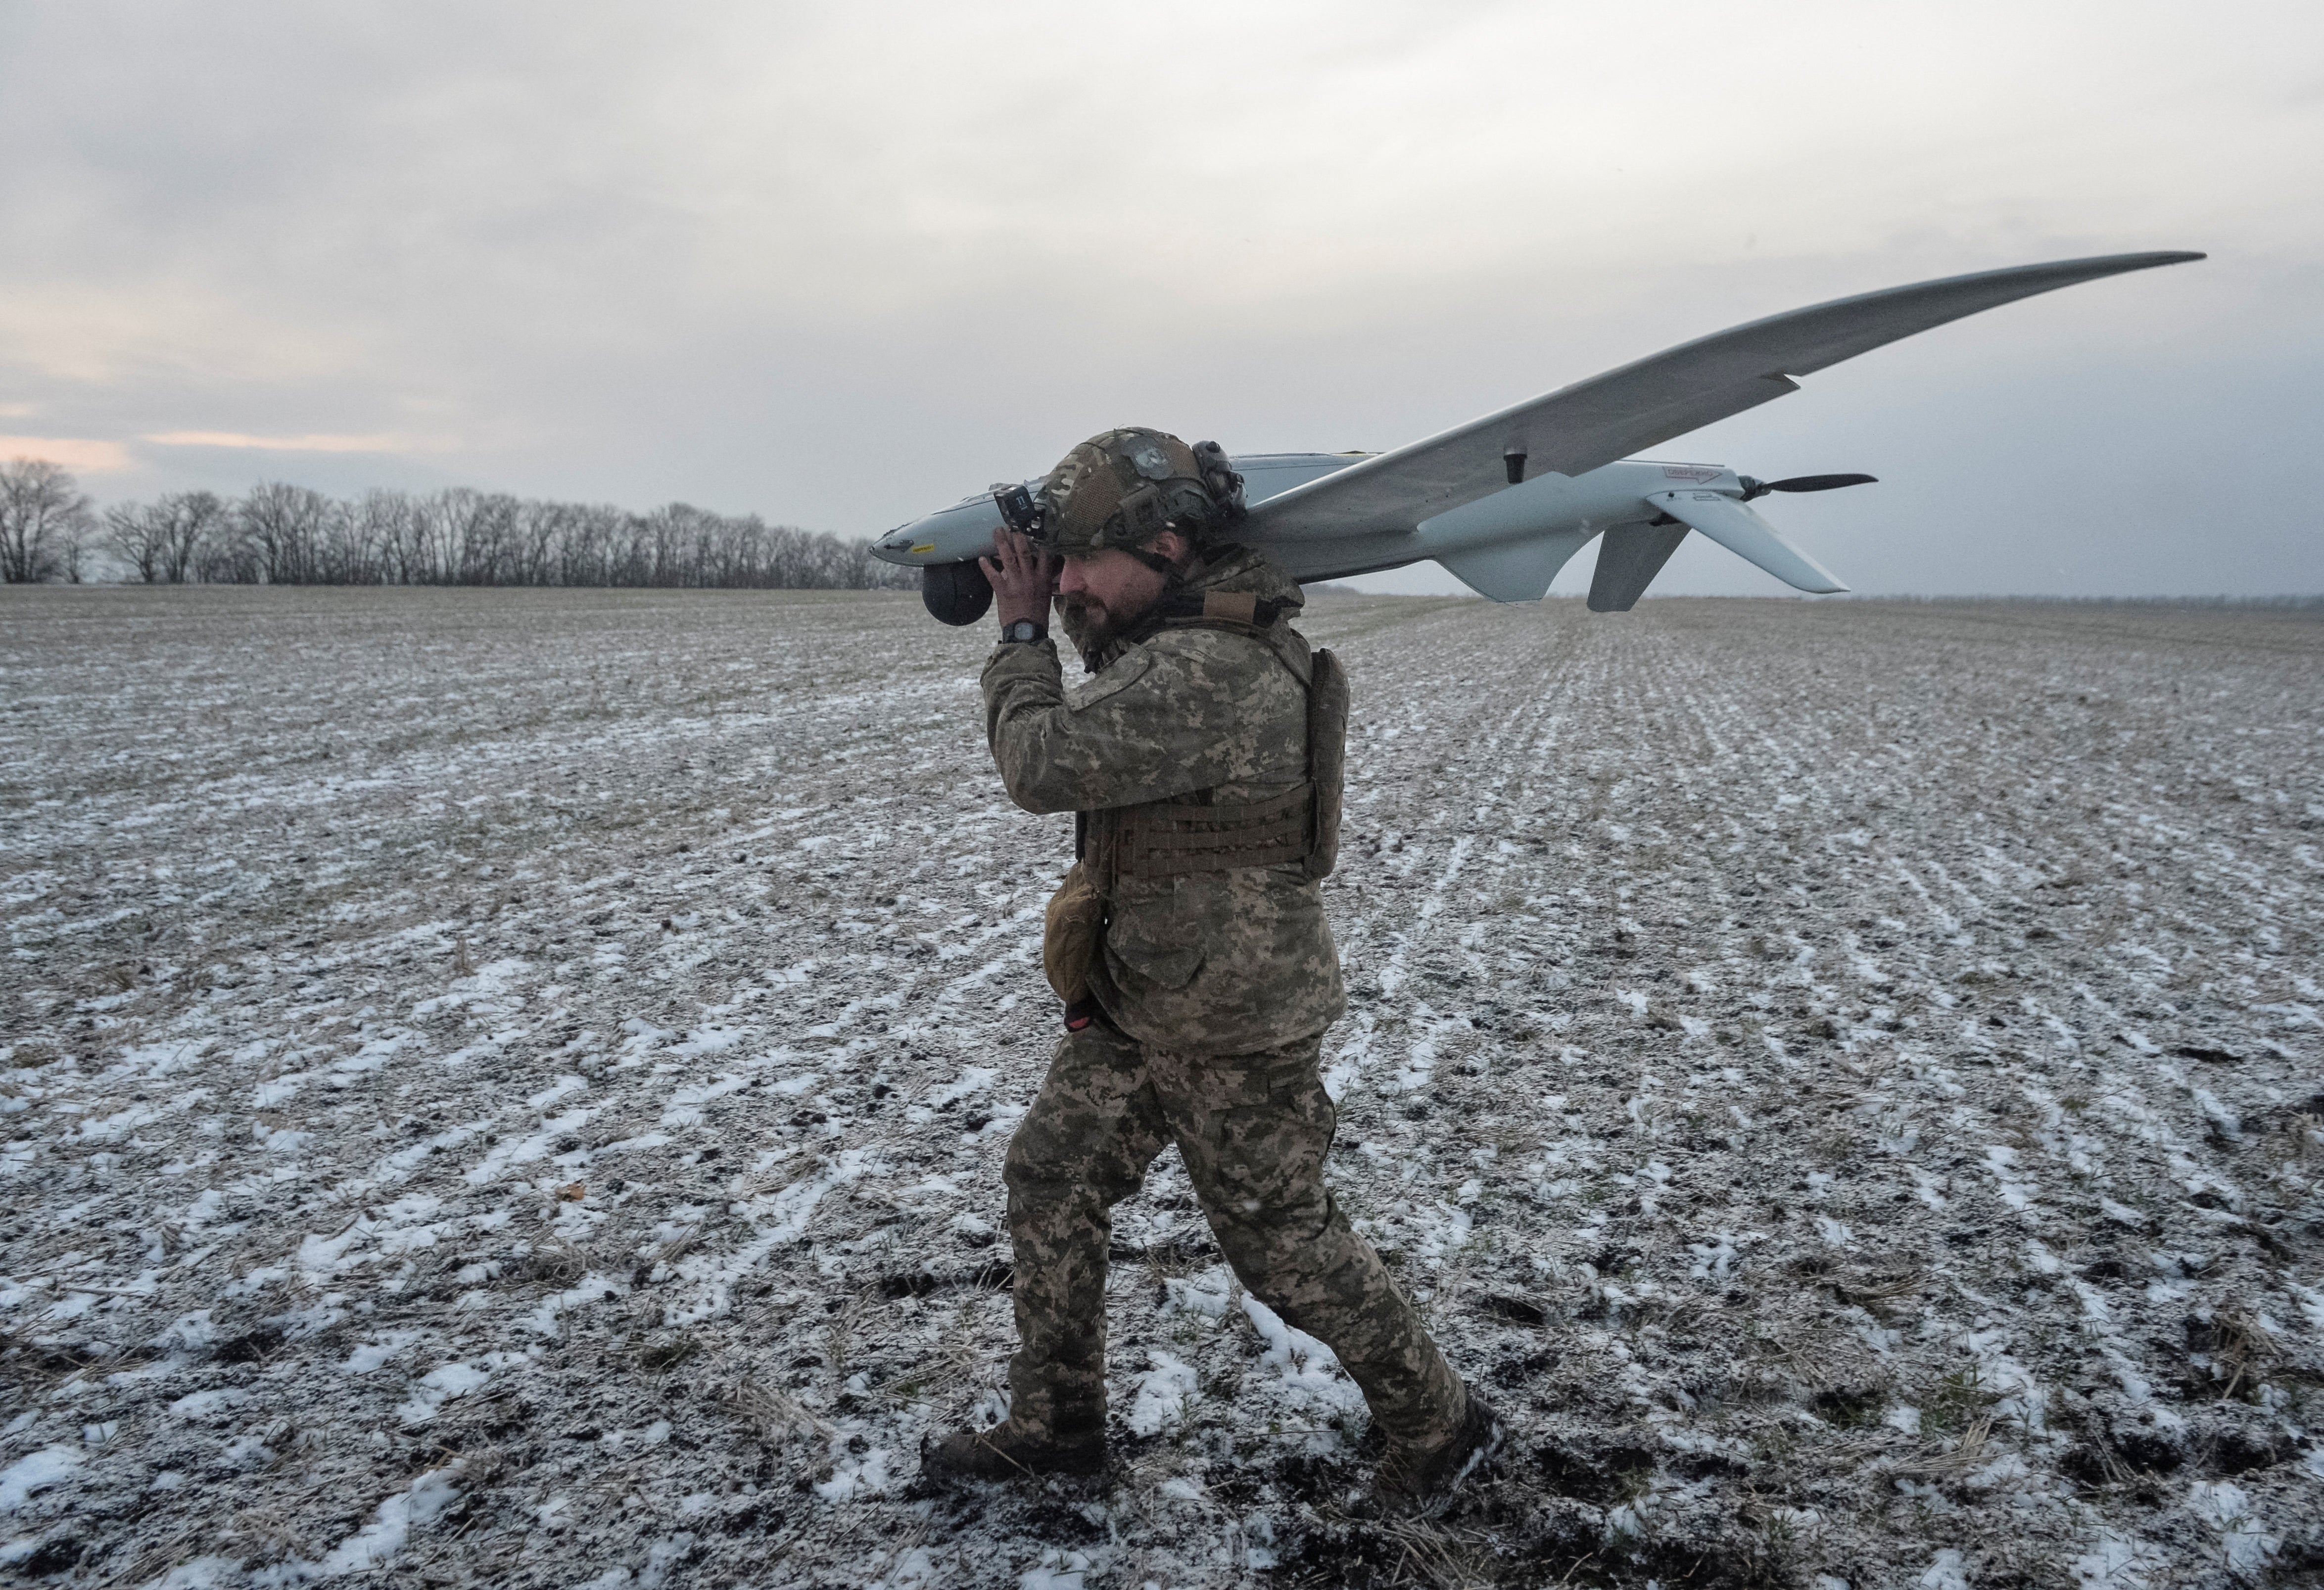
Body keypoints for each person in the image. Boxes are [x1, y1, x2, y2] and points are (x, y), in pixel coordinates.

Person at [918, 427, 1499, 1513]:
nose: (1070, 581)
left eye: (1086, 560)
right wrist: (1066, 596)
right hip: (1149, 989)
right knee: (1054, 1174)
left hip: (1232, 1011)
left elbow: (1041, 760)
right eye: (1063, 565)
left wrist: (1023, 631)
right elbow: (1113, 673)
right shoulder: (1190, 630)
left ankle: (1446, 1427)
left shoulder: (1210, 666)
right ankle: (1058, 1427)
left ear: (1173, 542)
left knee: (1282, 1247)